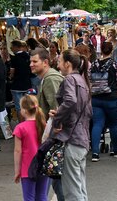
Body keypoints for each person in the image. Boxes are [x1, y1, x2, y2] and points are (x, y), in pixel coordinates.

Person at [49, 49, 92, 201]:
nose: (58, 65)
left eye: (60, 62)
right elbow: (85, 110)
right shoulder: (82, 80)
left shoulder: (69, 80)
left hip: (72, 139)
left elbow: (70, 101)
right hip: (81, 138)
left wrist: (58, 118)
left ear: (67, 64)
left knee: (73, 191)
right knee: (79, 188)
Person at [29, 48, 65, 200]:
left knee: (57, 178)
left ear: (45, 62)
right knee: (55, 177)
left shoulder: (50, 78)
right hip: (53, 134)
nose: (31, 64)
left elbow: (58, 108)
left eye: (34, 61)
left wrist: (55, 133)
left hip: (55, 135)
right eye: (30, 61)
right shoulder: (46, 78)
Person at [90, 42, 117, 161]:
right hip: (111, 98)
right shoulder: (115, 65)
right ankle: (116, 149)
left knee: (97, 124)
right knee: (114, 124)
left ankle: (95, 152)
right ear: (112, 50)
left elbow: (89, 79)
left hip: (96, 98)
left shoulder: (93, 64)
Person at [13, 95, 49, 201]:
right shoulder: (44, 125)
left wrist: (17, 171)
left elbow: (17, 151)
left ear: (24, 110)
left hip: (27, 168)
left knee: (29, 198)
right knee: (42, 195)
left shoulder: (20, 128)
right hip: (43, 165)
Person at [10, 40, 32, 121]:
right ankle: (28, 122)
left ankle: (22, 125)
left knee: (19, 108)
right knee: (27, 106)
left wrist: (10, 77)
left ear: (16, 47)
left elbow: (12, 72)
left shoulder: (14, 58)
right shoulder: (28, 56)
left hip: (17, 86)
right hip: (27, 84)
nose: (11, 48)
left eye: (12, 47)